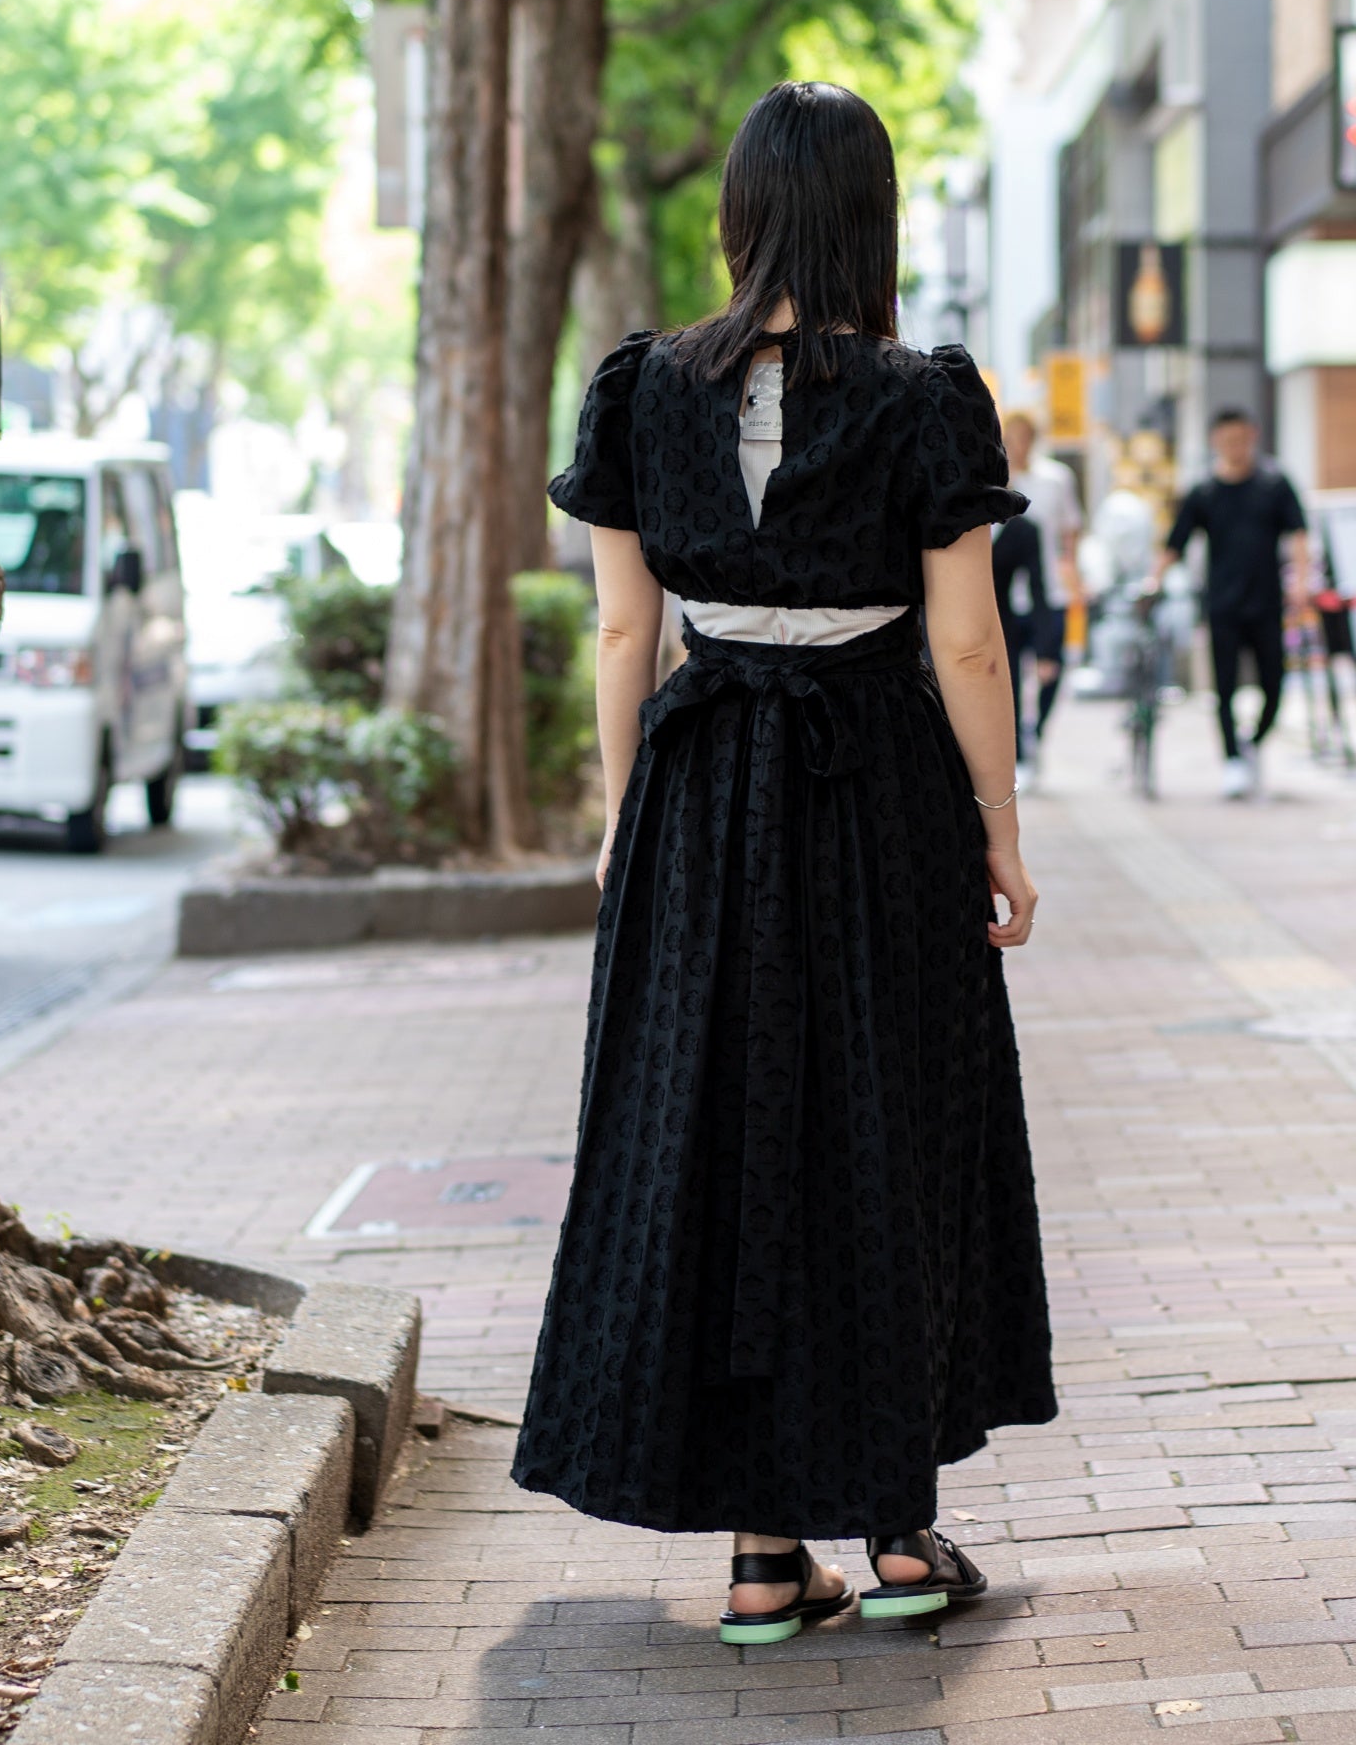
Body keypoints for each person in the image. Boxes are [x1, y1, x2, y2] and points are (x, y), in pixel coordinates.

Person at [515, 81, 1056, 1647]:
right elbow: (965, 641)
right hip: (878, 784)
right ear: (871, 219)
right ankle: (895, 1536)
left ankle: (762, 1556)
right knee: (889, 1126)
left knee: (721, 1133)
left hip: (702, 793)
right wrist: (1002, 832)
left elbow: (628, 628)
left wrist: (629, 813)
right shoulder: (930, 395)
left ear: (741, 216)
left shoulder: (639, 388)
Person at [1153, 407, 1310, 799]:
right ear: (1214, 442)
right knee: (1223, 688)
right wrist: (1154, 580)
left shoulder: (1274, 485)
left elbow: (1299, 534)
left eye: (1241, 438)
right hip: (1222, 603)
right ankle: (1232, 761)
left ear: (1253, 436)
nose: (1234, 446)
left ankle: (1253, 740)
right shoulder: (1204, 491)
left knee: (1274, 682)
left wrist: (1301, 582)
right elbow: (1176, 542)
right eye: (1226, 439)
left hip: (1268, 602)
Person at [1001, 410, 1081, 766]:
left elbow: (1070, 530)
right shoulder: (992, 480)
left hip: (1048, 589)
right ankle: (1018, 747)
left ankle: (1036, 731)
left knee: (1052, 668)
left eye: (1025, 436)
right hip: (1006, 593)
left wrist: (1072, 573)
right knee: (1011, 674)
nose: (1018, 444)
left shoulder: (1055, 478)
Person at [992, 509, 1048, 769]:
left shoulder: (1022, 528)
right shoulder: (940, 516)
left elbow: (1038, 587)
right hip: (934, 624)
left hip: (1001, 627)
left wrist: (1045, 651)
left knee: (1005, 697)